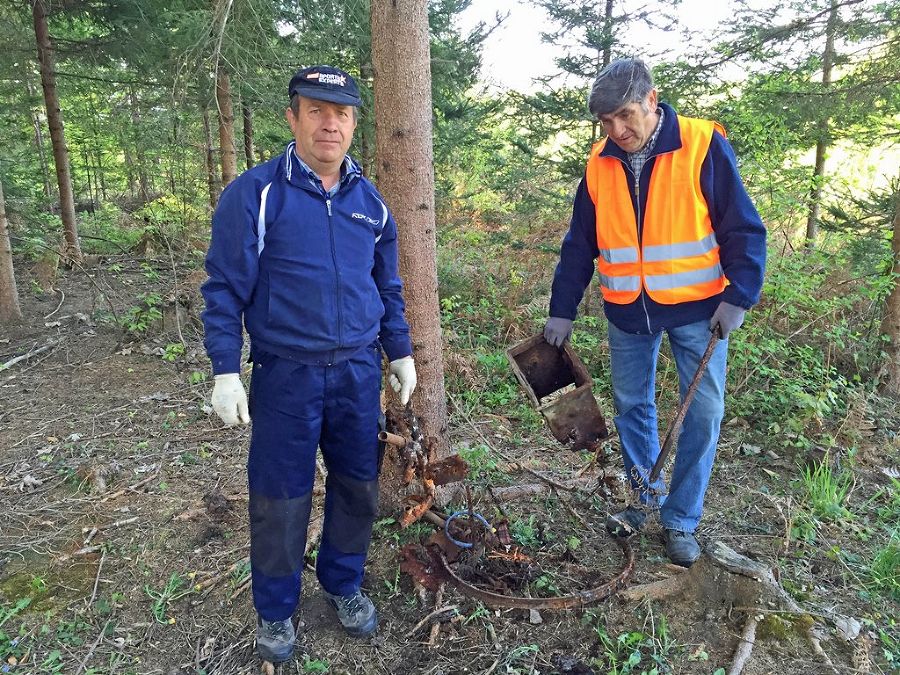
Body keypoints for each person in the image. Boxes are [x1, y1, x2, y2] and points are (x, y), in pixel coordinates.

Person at [200, 65, 417, 664]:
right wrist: (225, 370)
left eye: (342, 113)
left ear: (353, 123)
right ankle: (275, 607)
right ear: (293, 116)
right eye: (316, 110)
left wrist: (399, 349)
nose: (330, 123)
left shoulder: (368, 202)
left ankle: (342, 583)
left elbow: (388, 285)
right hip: (286, 376)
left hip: (356, 373)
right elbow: (223, 288)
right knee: (279, 495)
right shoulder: (256, 194)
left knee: (357, 487)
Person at [544, 58, 766, 568]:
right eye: (606, 122)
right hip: (627, 312)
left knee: (703, 415)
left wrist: (739, 295)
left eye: (625, 116)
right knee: (633, 409)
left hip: (700, 312)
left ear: (651, 100)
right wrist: (562, 309)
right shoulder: (599, 163)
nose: (617, 131)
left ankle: (681, 519)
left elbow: (744, 228)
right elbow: (580, 244)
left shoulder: (701, 145)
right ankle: (646, 499)